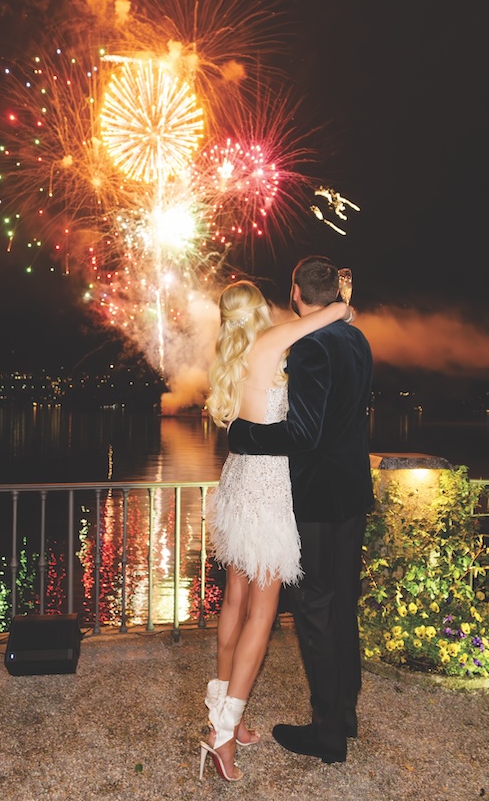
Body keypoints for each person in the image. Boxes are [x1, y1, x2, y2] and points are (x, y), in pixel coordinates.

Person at [200, 279, 354, 782]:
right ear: (258, 310)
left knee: (233, 604)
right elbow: (329, 316)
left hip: (237, 483)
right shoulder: (269, 344)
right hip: (267, 493)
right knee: (262, 616)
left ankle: (219, 712)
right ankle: (224, 736)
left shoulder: (231, 357)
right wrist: (343, 300)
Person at [228, 256, 374, 765]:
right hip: (353, 492)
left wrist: (244, 436)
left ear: (295, 294)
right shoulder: (357, 339)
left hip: (318, 497)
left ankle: (327, 732)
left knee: (314, 609)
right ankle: (346, 713)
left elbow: (303, 435)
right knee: (341, 604)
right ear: (333, 294)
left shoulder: (311, 346)